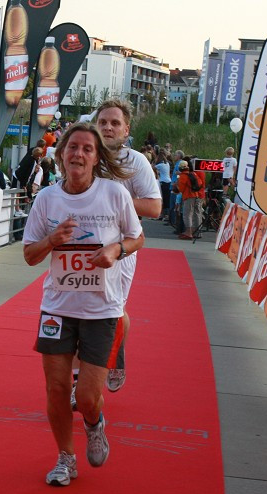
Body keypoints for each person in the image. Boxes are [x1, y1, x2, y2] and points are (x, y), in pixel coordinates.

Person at [22, 121, 144, 486]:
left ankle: (94, 423)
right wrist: (51, 240)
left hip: (101, 309)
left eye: (87, 149)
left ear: (96, 158)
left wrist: (115, 250)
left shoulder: (114, 194)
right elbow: (29, 255)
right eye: (72, 147)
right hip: (57, 307)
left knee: (89, 396)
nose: (78, 153)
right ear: (61, 155)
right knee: (57, 389)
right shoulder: (47, 199)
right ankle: (65, 458)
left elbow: (136, 238)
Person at [92, 99, 161, 393]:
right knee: (80, 312)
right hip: (82, 249)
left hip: (122, 247)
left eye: (115, 123)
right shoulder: (85, 153)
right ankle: (80, 380)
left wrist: (114, 201)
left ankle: (115, 355)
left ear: (126, 130)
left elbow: (155, 207)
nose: (108, 127)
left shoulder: (136, 162)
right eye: (103, 122)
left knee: (113, 310)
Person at [174, 160, 205, 240]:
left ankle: (188, 232)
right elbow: (200, 183)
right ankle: (196, 231)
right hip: (197, 195)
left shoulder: (183, 176)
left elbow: (181, 189)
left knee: (187, 214)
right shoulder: (193, 173)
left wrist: (176, 186)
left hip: (188, 196)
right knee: (197, 214)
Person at [155, 151, 171, 220]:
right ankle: (167, 214)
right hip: (169, 181)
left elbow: (152, 167)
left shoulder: (159, 165)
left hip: (163, 182)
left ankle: (162, 214)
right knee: (167, 198)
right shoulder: (167, 164)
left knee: (162, 198)